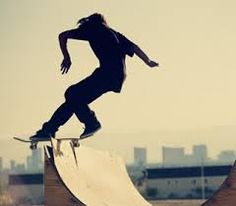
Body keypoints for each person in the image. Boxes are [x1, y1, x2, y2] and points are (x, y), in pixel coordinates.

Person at [30, 13, 158, 141]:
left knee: (72, 94)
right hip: (118, 75)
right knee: (74, 99)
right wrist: (148, 61)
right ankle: (49, 130)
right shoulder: (114, 33)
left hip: (107, 73)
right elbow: (134, 47)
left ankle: (90, 123)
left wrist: (67, 57)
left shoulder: (94, 29)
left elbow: (62, 36)